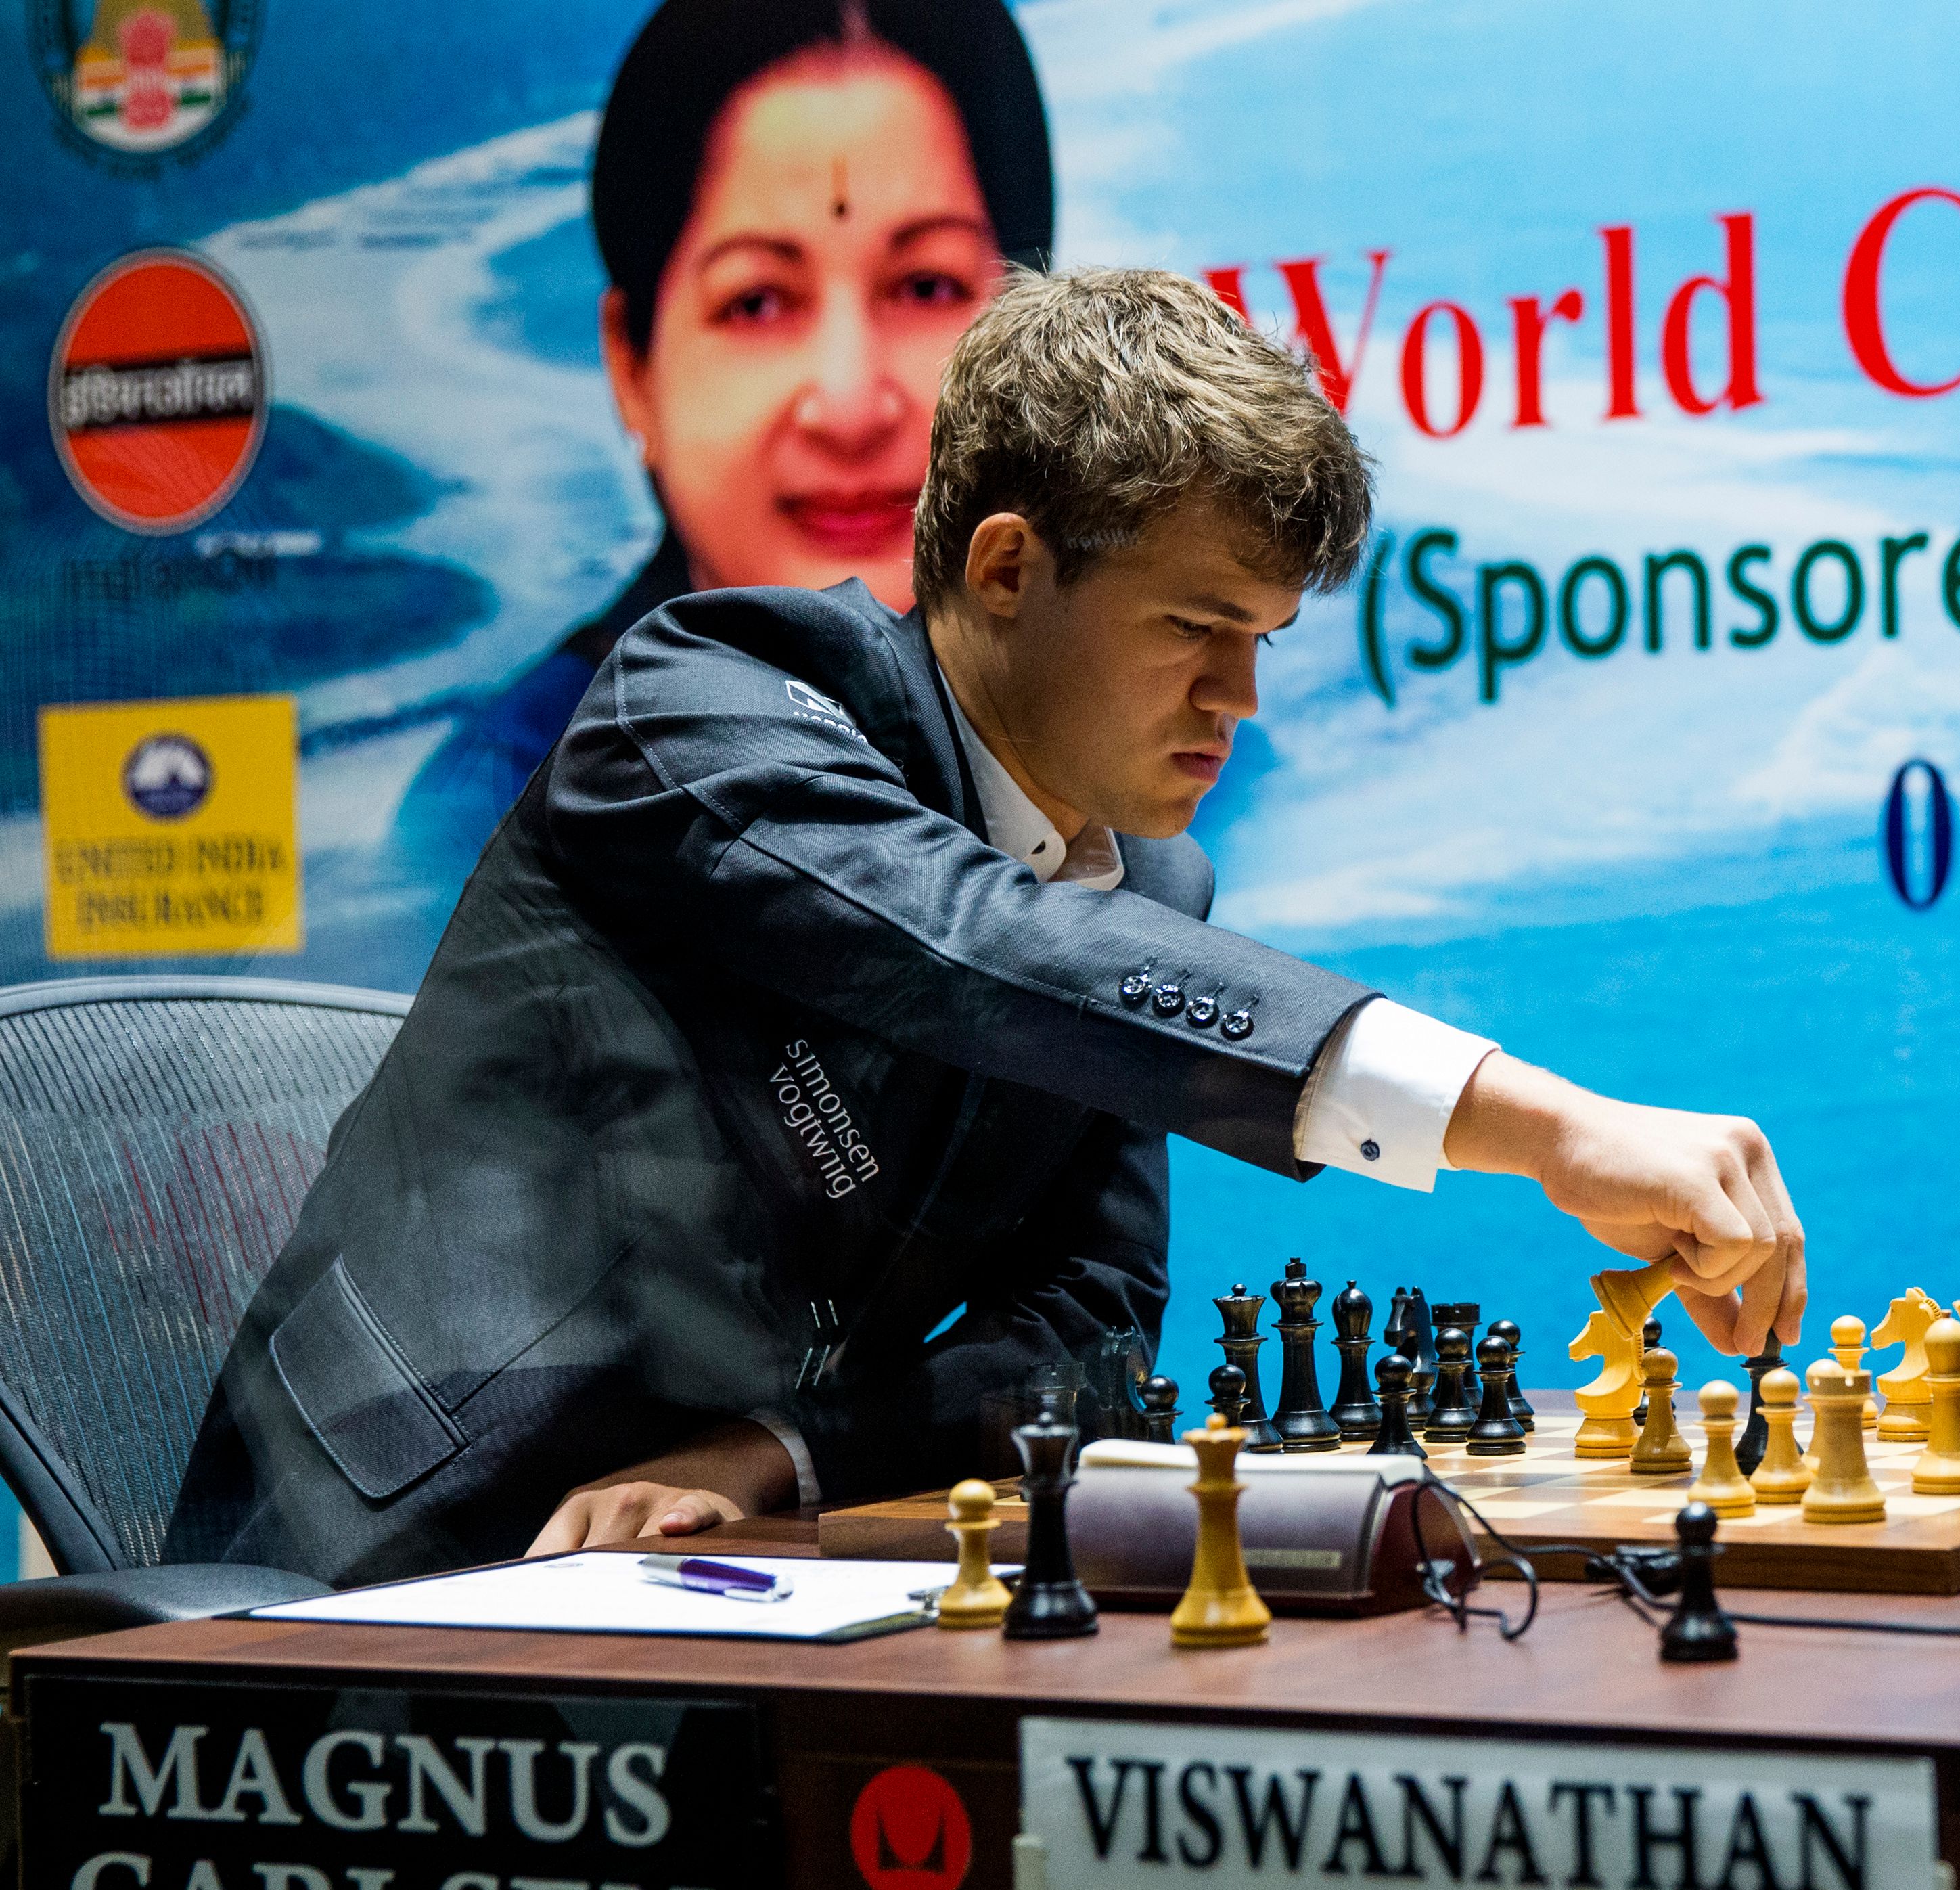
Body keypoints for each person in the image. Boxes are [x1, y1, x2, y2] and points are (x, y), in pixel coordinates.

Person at [166, 269, 1805, 1587]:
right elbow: (973, 948)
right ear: (1008, 566)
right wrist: (1544, 1123)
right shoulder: (698, 704)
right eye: (1198, 626)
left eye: (1265, 639)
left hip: (741, 1561)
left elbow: (1086, 1321)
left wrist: (772, 1450)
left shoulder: (1150, 893)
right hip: (385, 1555)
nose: (1239, 696)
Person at [367, 0, 1049, 971]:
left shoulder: (1152, 754)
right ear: (633, 366)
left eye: (926, 287)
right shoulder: (500, 811)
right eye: (759, 301)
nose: (850, 406)